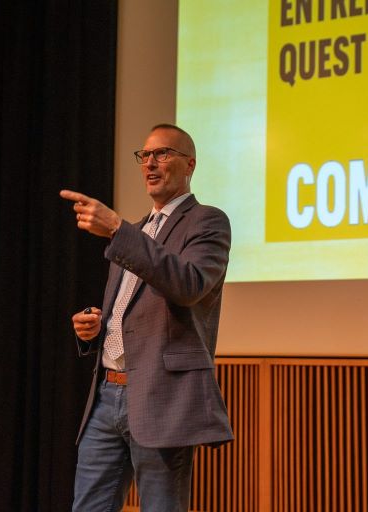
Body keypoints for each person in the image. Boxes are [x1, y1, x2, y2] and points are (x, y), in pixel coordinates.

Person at [59, 123, 233, 512]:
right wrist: (96, 326)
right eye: (145, 155)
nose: (151, 163)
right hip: (106, 395)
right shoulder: (136, 232)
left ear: (189, 164)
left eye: (163, 153)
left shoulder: (207, 222)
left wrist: (118, 229)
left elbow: (188, 284)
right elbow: (133, 308)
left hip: (159, 395)